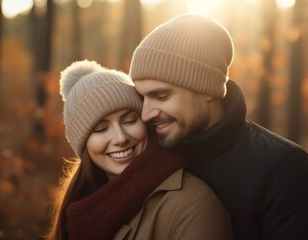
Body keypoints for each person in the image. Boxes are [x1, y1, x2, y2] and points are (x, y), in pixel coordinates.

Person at [129, 14, 308, 240]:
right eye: (142, 97)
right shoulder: (144, 157)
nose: (146, 114)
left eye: (162, 95)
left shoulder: (285, 170)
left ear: (207, 89)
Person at [46, 60, 233, 240]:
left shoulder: (193, 204)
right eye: (101, 129)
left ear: (146, 123)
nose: (120, 138)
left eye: (130, 121)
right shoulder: (76, 211)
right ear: (83, 144)